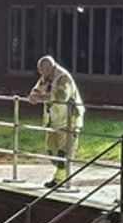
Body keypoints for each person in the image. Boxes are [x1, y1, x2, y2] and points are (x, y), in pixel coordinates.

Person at [27, 54, 84, 187]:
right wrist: (34, 95)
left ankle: (60, 180)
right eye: (40, 71)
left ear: (51, 67)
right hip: (53, 120)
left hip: (69, 119)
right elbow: (37, 88)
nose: (41, 74)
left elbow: (62, 96)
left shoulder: (63, 77)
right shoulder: (46, 77)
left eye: (44, 70)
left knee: (64, 152)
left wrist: (41, 98)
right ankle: (63, 175)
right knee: (51, 149)